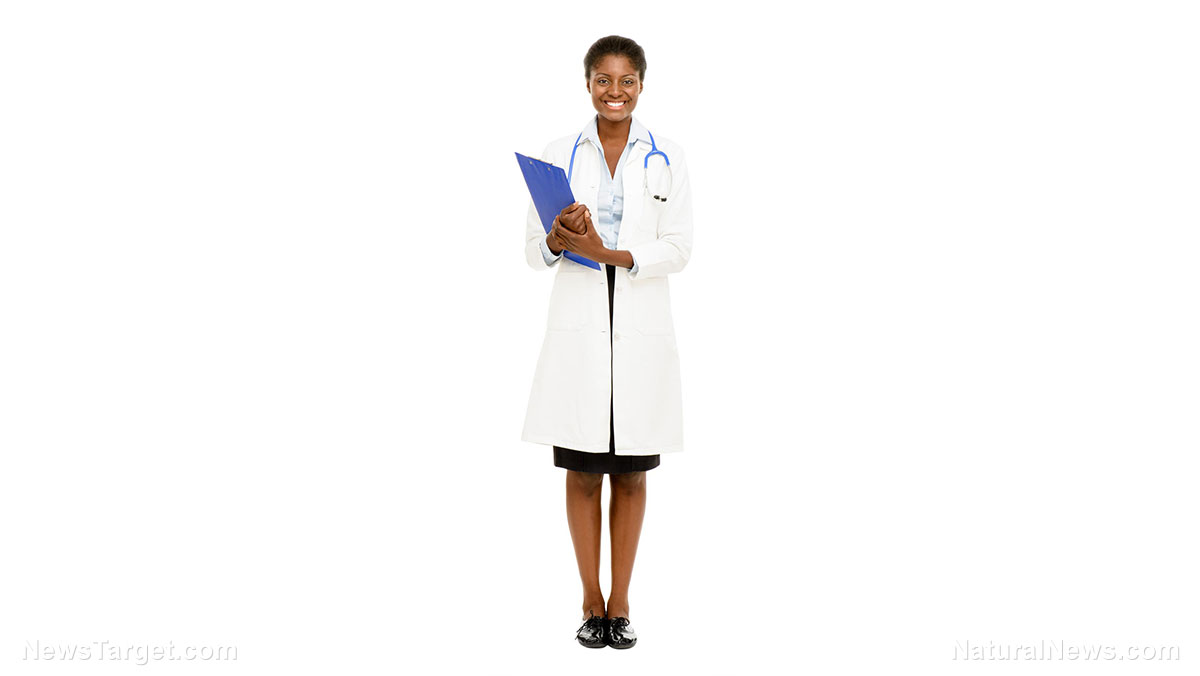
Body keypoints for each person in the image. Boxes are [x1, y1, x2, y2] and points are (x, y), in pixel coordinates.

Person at [521, 35, 693, 649]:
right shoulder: (558, 154)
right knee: (582, 472)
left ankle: (620, 602)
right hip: (580, 326)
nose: (614, 91)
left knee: (632, 475)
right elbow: (533, 251)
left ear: (641, 85)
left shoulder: (667, 156)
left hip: (640, 322)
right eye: (603, 80)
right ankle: (589, 599)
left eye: (626, 81)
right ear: (588, 83)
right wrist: (558, 239)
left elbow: (679, 248)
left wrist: (608, 253)